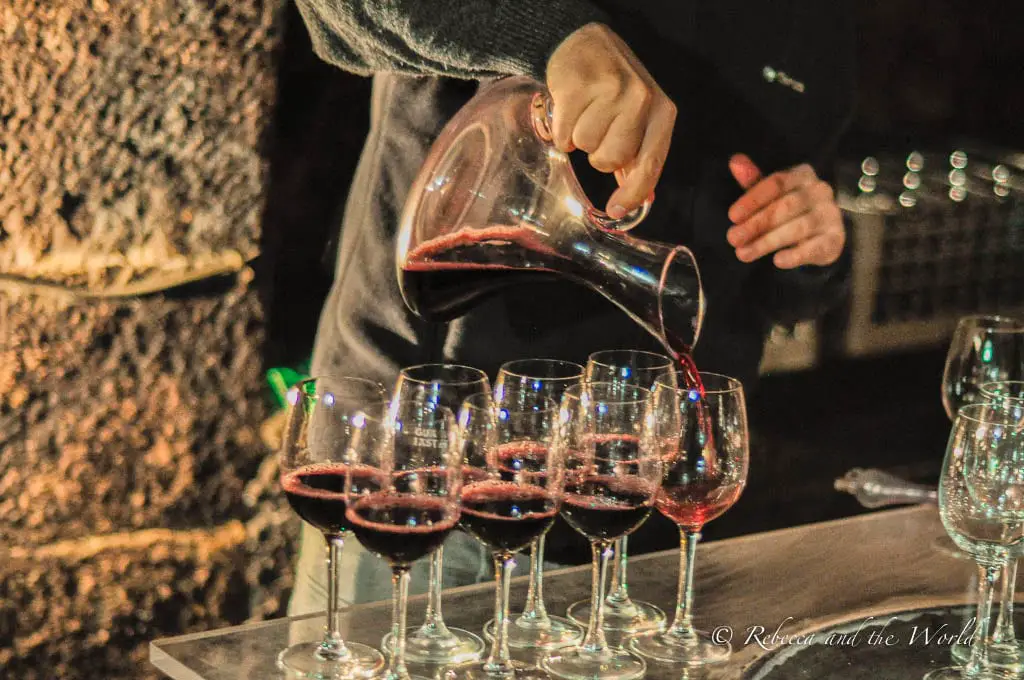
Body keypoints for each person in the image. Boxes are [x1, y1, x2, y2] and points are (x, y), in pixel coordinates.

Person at [287, 0, 855, 611]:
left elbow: (782, 277)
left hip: (650, 508)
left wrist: (815, 248)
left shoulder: (822, 22)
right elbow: (336, 15)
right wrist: (554, 37)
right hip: (434, 480)